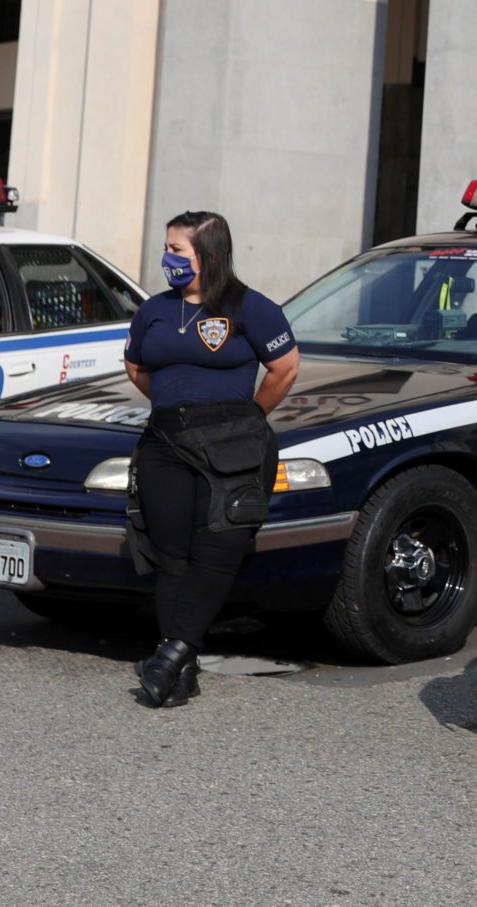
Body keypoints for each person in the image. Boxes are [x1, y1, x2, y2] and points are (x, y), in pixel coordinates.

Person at [122, 210, 299, 707]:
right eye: (168, 248)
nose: (167, 258)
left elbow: (285, 368)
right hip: (165, 445)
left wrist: (243, 418)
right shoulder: (155, 309)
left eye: (178, 250)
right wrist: (179, 410)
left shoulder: (251, 307)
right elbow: (136, 366)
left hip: (235, 449)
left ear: (211, 255)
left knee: (217, 553)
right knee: (170, 555)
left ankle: (173, 650)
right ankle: (183, 669)